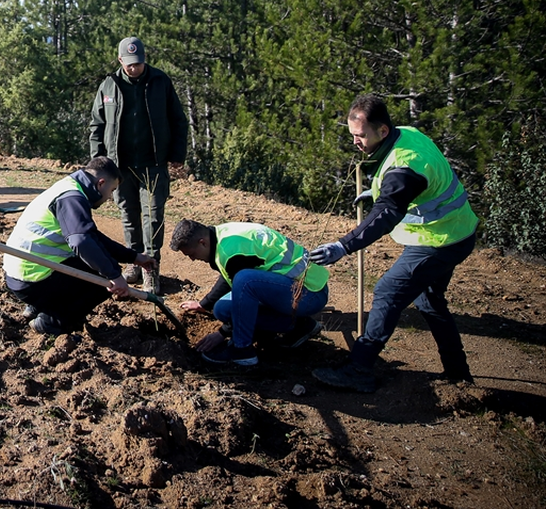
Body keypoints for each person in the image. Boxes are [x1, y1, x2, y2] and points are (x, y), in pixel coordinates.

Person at [310, 94, 479, 393]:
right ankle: (458, 373)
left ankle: (359, 369)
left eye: (360, 135)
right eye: (352, 135)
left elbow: (388, 212)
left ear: (383, 131)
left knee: (388, 291)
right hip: (457, 231)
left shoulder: (405, 165)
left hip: (439, 240)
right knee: (429, 300)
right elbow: (400, 191)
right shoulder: (407, 134)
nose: (355, 142)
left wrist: (343, 246)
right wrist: (378, 194)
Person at [5, 156, 154, 335]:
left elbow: (92, 237)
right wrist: (114, 275)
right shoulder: (72, 198)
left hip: (22, 273)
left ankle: (37, 306)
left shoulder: (68, 186)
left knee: (98, 258)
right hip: (31, 279)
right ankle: (50, 322)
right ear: (101, 183)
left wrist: (134, 257)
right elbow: (80, 241)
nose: (109, 198)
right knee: (102, 279)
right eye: (112, 190)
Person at [88, 36, 188, 295]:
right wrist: (96, 164)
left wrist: (177, 154)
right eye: (130, 64)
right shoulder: (109, 85)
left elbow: (178, 119)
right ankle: (135, 262)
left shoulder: (160, 81)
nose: (135, 68)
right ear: (121, 61)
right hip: (120, 166)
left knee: (153, 216)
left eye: (139, 63)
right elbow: (97, 126)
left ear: (144, 60)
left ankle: (151, 269)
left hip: (153, 165)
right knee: (129, 214)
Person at [171, 219, 328, 367]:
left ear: (202, 242)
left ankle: (242, 351)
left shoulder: (230, 251)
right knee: (222, 309)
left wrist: (222, 332)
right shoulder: (223, 236)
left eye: (191, 254)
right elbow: (228, 275)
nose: (192, 259)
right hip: (297, 289)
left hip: (309, 294)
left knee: (245, 281)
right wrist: (204, 304)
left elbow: (241, 281)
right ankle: (300, 326)